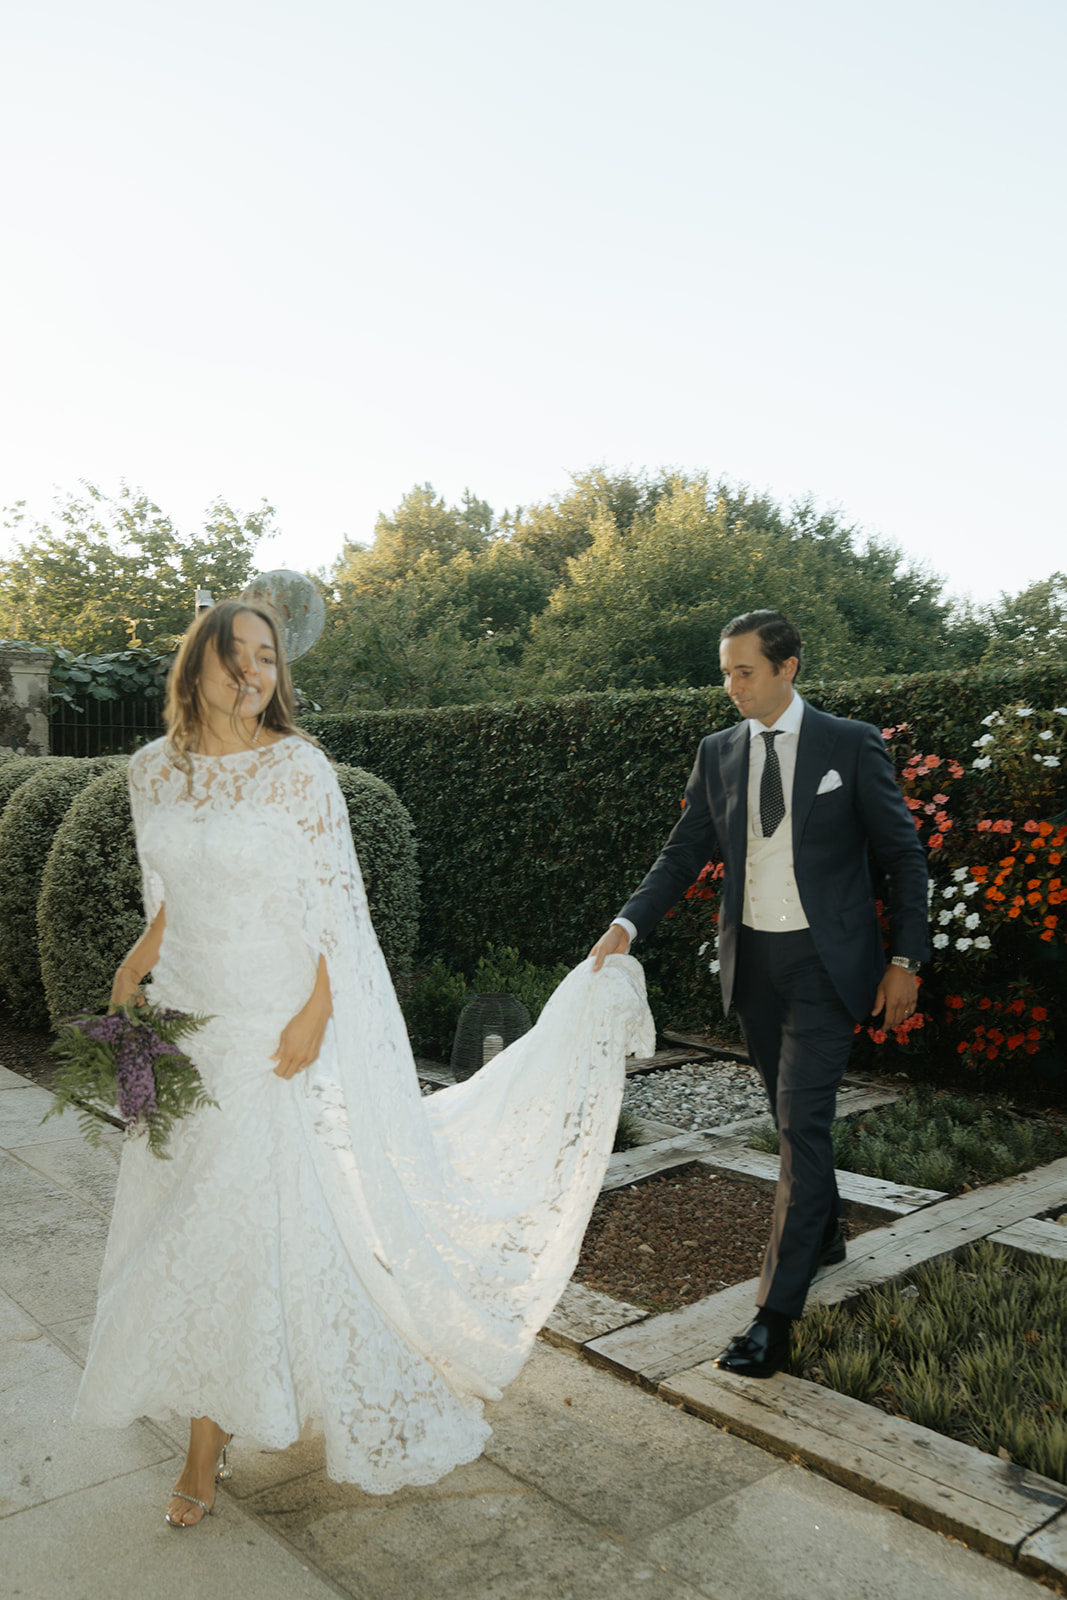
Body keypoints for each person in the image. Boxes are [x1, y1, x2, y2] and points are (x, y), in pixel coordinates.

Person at [74, 599, 652, 1524]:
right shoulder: (152, 773)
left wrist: (315, 1013)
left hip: (274, 1027)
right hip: (188, 1024)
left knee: (238, 1225)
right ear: (199, 666)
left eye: (268, 657)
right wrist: (136, 964)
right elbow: (173, 897)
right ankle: (231, 1404)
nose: (254, 673)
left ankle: (203, 1443)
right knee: (185, 1224)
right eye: (237, 655)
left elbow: (339, 912)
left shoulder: (299, 771)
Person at [590, 609, 929, 1377]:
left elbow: (902, 856)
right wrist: (625, 927)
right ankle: (828, 1225)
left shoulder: (849, 743)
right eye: (724, 672)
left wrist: (906, 959)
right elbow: (680, 857)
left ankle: (773, 1319)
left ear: (787, 668)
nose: (731, 686)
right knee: (791, 1118)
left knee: (799, 1124)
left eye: (744, 671)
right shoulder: (717, 753)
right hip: (754, 968)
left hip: (826, 966)